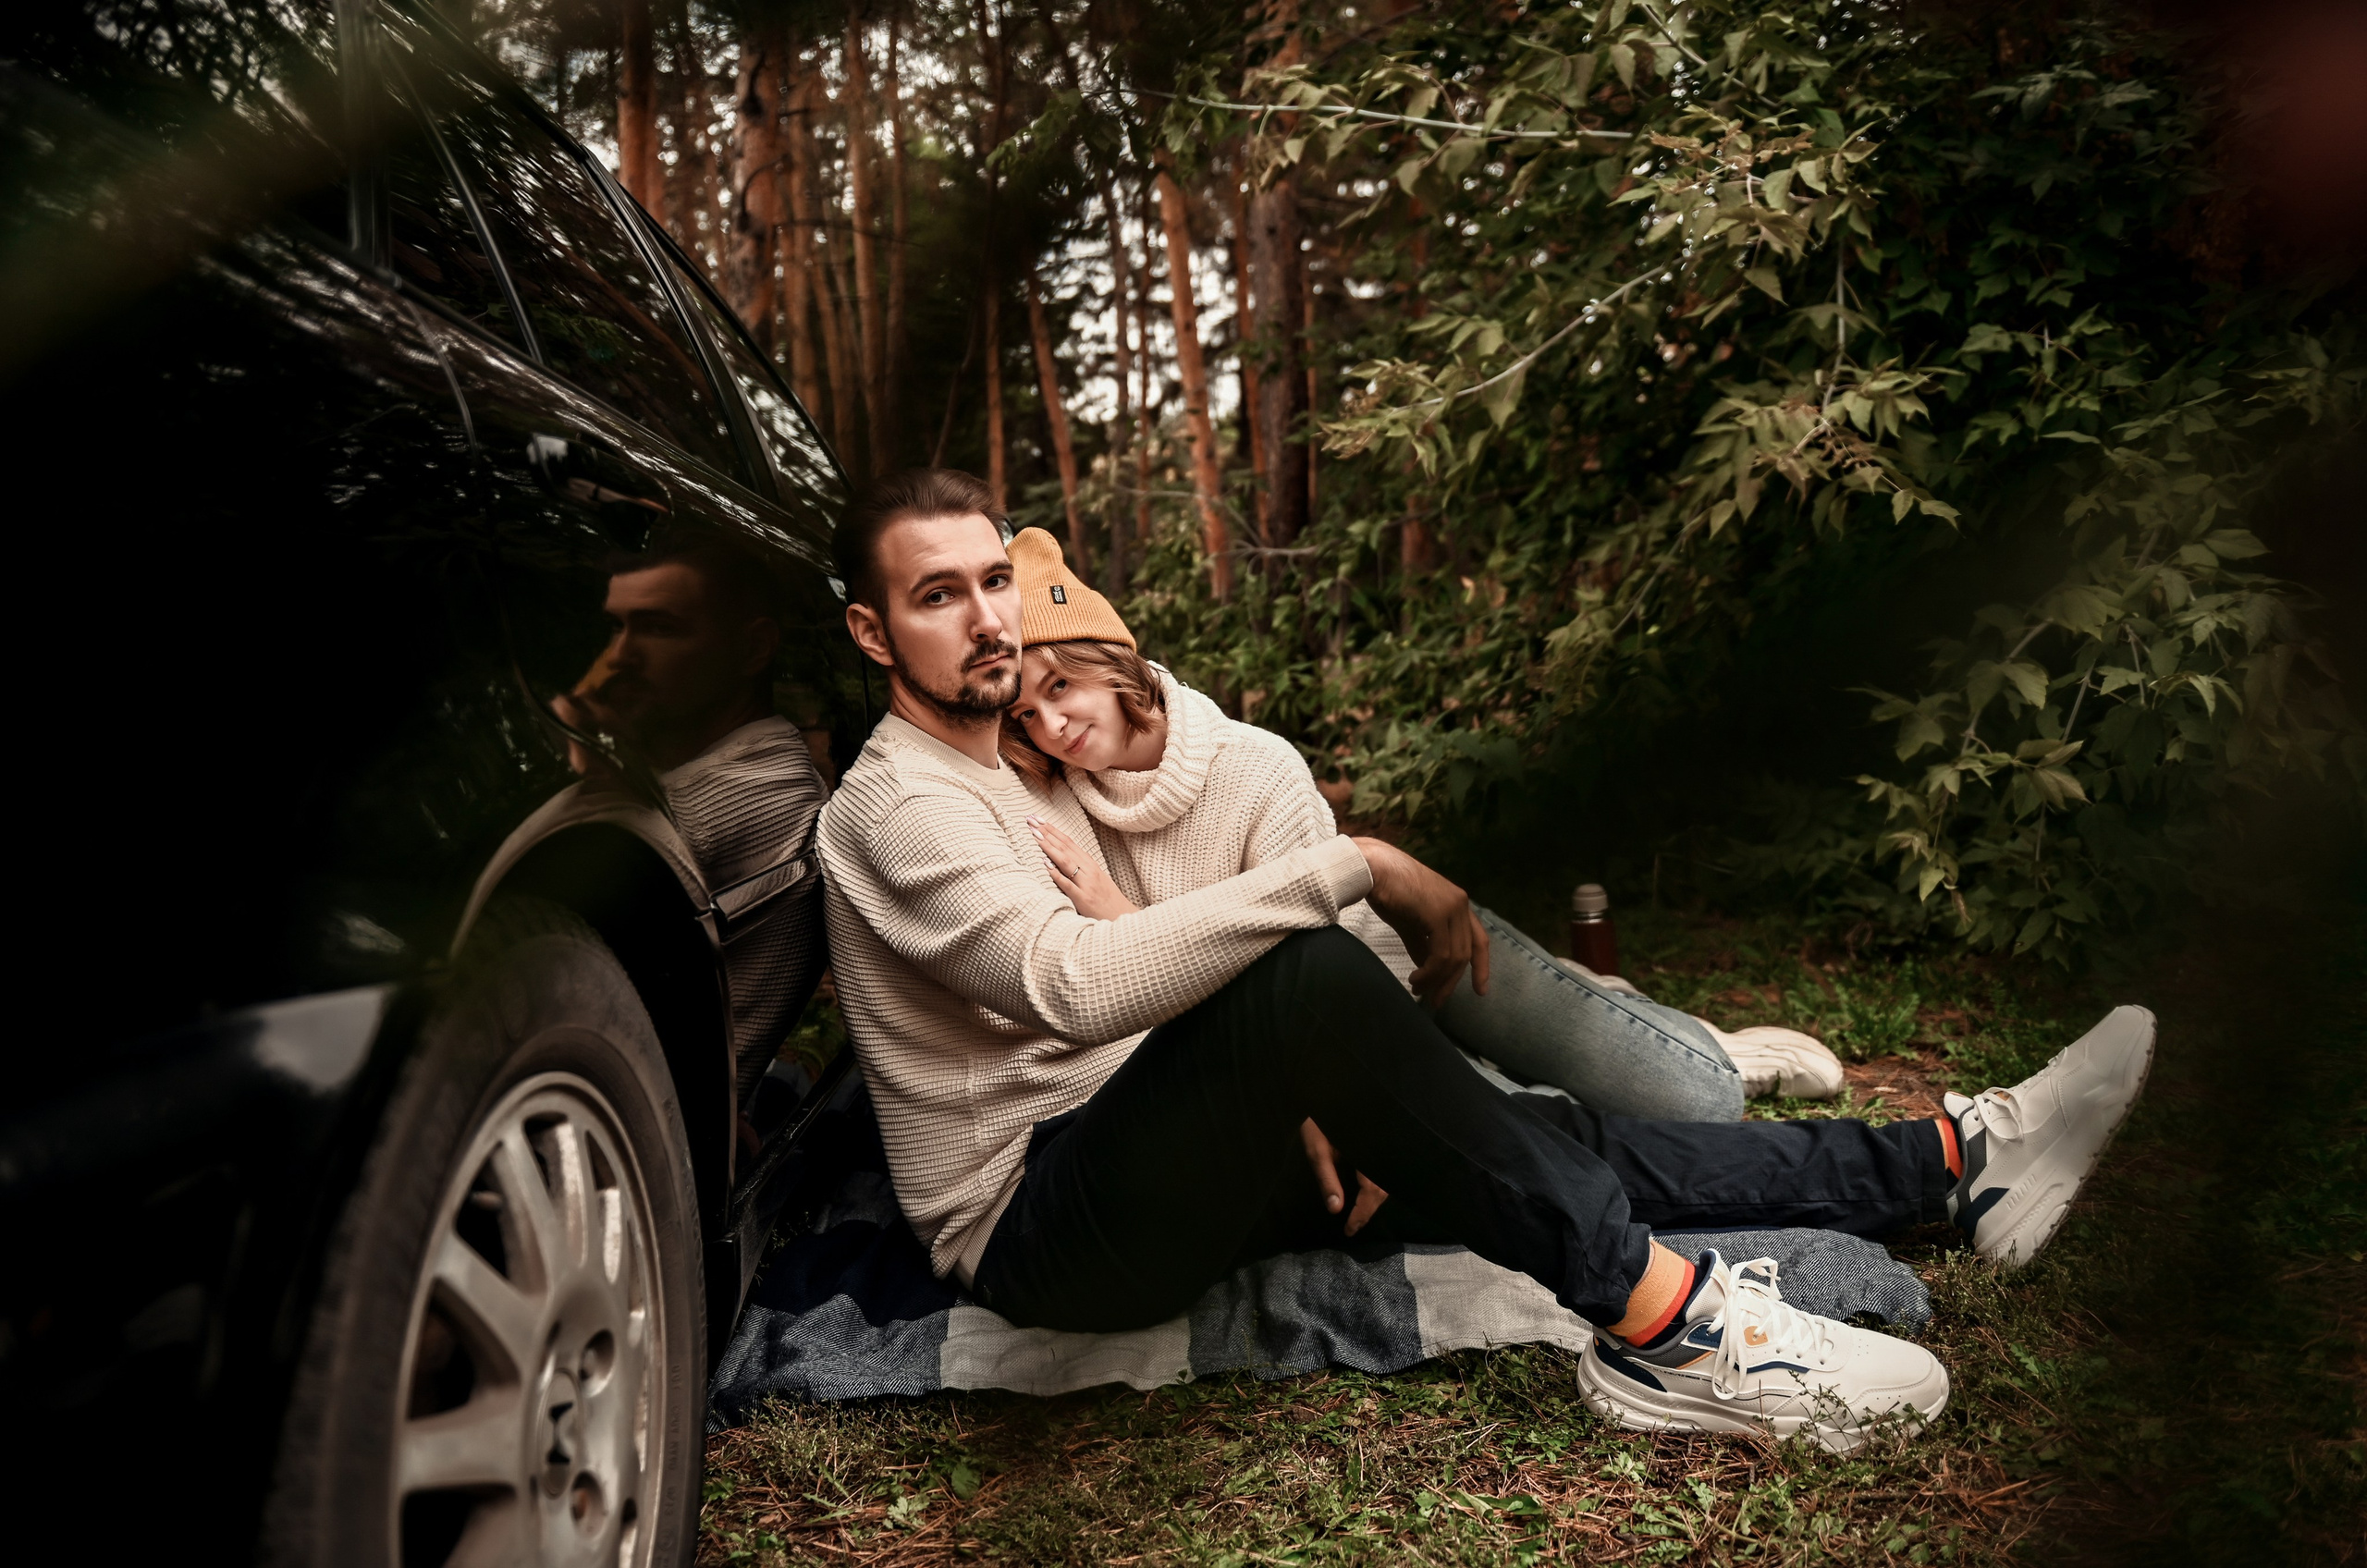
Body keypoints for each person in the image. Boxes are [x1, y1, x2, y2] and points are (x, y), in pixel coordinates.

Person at [812, 469, 2155, 1452]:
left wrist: (1290, 1103)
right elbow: (1070, 985)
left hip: (1157, 1142)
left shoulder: (1026, 768)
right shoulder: (901, 805)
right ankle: (1664, 1332)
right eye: (940, 597)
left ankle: (1951, 1165)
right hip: (1043, 1226)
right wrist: (1359, 863)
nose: (990, 622)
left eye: (996, 579)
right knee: (1312, 976)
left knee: (1541, 1138)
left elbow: (1152, 943)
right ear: (874, 633)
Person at [991, 524, 1844, 1144]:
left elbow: (1304, 962)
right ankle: (1598, 1011)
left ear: (1112, 662)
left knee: (1699, 1100)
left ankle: (1698, 1043)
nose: (1053, 724)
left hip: (1404, 966)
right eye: (1027, 714)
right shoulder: (1069, 799)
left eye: (1062, 685)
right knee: (1551, 1134)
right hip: (1355, 1044)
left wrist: (1122, 919)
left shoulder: (1254, 766)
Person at [553, 534, 828, 1106]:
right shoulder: (713, 763)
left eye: (659, 628)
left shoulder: (747, 790)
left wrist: (567, 747)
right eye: (616, 627)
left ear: (753, 649)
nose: (621, 657)